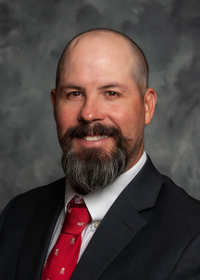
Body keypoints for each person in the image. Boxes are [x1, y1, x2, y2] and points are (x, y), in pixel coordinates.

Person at [0, 28, 200, 280]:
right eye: (74, 94)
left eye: (111, 93)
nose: (89, 113)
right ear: (54, 104)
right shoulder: (17, 214)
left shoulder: (192, 236)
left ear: (147, 106)